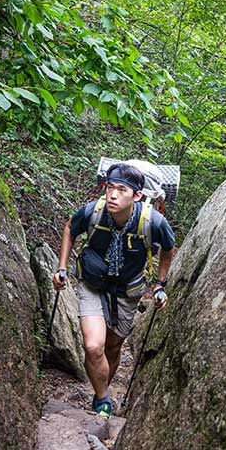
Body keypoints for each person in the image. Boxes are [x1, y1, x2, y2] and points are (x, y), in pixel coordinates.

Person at [52, 162, 175, 418]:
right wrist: (62, 267)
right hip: (92, 284)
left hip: (128, 291)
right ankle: (102, 399)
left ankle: (102, 388)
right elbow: (69, 228)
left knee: (113, 348)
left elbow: (168, 246)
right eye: (110, 188)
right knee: (94, 346)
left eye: (122, 189)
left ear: (137, 195)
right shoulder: (93, 212)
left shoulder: (152, 221)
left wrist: (159, 285)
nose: (113, 195)